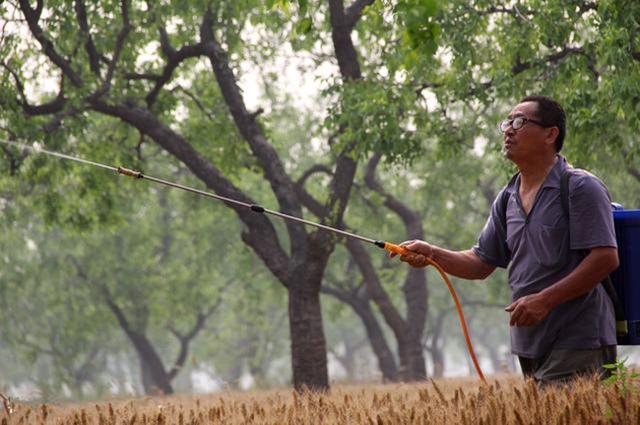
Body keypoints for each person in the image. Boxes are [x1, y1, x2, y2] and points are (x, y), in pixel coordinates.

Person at [392, 95, 619, 385]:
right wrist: (431, 253)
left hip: (578, 338)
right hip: (529, 343)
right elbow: (480, 263)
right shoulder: (507, 198)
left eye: (520, 122)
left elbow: (605, 258)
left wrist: (544, 301)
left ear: (551, 134)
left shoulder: (580, 187)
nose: (509, 129)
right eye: (507, 122)